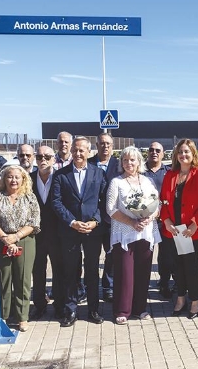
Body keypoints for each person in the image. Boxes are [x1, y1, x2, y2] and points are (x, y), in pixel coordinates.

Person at [53, 137, 107, 327]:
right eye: (75, 150)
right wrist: (72, 222)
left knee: (92, 271)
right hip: (70, 231)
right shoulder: (61, 175)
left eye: (81, 150)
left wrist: (95, 221)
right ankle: (71, 310)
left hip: (92, 232)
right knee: (70, 272)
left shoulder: (99, 174)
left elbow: (104, 201)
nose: (77, 153)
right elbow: (56, 202)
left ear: (89, 151)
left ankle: (93, 309)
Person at [106, 147, 162, 324]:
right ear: (121, 163)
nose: (129, 163)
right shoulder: (116, 182)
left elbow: (157, 204)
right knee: (125, 273)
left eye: (132, 160)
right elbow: (110, 209)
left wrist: (150, 217)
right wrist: (132, 222)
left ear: (139, 162)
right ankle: (122, 310)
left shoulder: (147, 181)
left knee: (143, 272)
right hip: (124, 233)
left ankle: (140, 308)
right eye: (125, 160)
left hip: (145, 232)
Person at [160, 139, 198, 319]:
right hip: (173, 230)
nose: (183, 155)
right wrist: (166, 221)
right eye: (180, 152)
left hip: (191, 230)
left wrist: (194, 224)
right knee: (177, 266)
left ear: (193, 154)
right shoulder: (170, 175)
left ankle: (195, 300)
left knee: (190, 265)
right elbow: (162, 201)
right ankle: (181, 298)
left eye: (187, 152)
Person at [0, 165, 40, 332]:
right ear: (4, 179)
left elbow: (34, 222)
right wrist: (6, 239)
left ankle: (22, 317)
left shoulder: (30, 198)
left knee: (23, 279)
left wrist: (16, 237)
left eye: (17, 177)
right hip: (1, 240)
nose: (13, 180)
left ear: (23, 179)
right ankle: (3, 316)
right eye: (10, 177)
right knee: (4, 280)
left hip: (24, 240)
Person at [30, 145, 62, 320]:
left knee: (58, 270)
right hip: (36, 234)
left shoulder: (60, 177)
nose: (43, 160)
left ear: (54, 159)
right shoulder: (29, 179)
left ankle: (58, 305)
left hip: (57, 234)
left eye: (47, 157)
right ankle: (39, 304)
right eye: (40, 157)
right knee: (38, 270)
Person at [89, 133, 120, 303]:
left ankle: (108, 286)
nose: (105, 147)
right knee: (92, 256)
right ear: (97, 145)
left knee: (112, 255)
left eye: (108, 144)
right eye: (102, 143)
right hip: (92, 219)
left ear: (112, 146)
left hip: (112, 219)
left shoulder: (119, 165)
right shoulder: (89, 164)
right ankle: (89, 286)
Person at [144, 142, 174, 298]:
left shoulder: (169, 172)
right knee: (145, 253)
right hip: (144, 220)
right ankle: (141, 283)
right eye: (151, 150)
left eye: (158, 150)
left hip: (165, 220)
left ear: (163, 154)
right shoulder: (140, 171)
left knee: (166, 254)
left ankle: (164, 282)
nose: (154, 152)